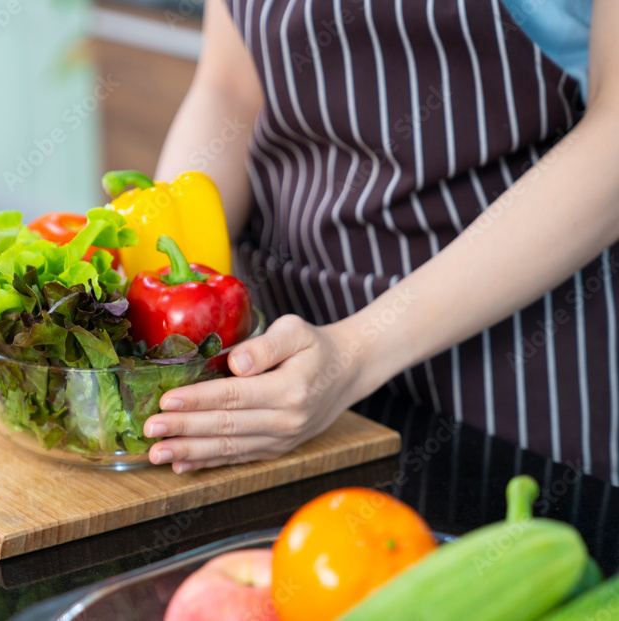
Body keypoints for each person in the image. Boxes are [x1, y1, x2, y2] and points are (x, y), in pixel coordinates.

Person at [134, 0, 618, 485]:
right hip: (281, 364)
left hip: (513, 367)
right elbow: (231, 87)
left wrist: (354, 352)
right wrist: (160, 289)